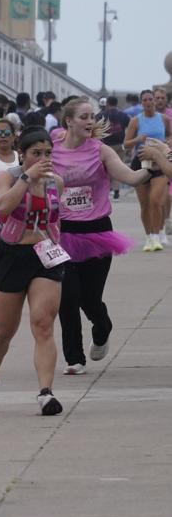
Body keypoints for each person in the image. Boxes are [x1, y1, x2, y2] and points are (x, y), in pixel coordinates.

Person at [51, 98, 162, 374]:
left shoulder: (100, 150)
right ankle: (74, 358)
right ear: (68, 121)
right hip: (63, 232)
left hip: (96, 232)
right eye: (84, 117)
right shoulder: (52, 149)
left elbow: (130, 177)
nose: (90, 121)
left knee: (89, 299)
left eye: (92, 116)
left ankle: (103, 327)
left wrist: (152, 167)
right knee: (67, 297)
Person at [0, 125, 68, 416]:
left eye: (48, 153)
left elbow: (55, 220)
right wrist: (27, 178)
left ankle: (46, 392)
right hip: (12, 255)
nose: (43, 159)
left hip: (45, 257)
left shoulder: (56, 182)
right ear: (22, 154)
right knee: (5, 330)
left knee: (43, 324)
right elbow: (3, 207)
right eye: (36, 153)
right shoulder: (8, 177)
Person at [123, 89, 172, 247]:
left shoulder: (164, 119)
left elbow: (170, 135)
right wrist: (137, 139)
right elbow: (126, 144)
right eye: (145, 100)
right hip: (141, 162)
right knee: (145, 204)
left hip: (160, 163)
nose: (148, 102)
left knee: (156, 200)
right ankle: (149, 237)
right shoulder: (135, 121)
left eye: (151, 99)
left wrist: (167, 142)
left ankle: (157, 237)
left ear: (154, 101)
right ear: (141, 102)